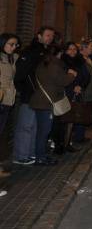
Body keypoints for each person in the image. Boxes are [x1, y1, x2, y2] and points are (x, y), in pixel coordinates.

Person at [13, 27, 55, 165]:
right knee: (26, 125)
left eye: (51, 36)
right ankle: (20, 156)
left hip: (40, 96)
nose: (50, 38)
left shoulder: (45, 52)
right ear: (39, 36)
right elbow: (21, 74)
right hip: (30, 95)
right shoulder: (30, 52)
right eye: (47, 35)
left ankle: (30, 153)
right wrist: (25, 89)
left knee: (35, 125)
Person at [29, 44, 73, 166]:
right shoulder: (54, 66)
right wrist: (71, 75)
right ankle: (40, 157)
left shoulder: (43, 64)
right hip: (46, 103)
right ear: (59, 54)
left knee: (42, 131)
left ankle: (40, 155)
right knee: (44, 131)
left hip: (40, 101)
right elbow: (63, 81)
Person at [52, 42, 84, 154]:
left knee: (71, 119)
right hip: (65, 93)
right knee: (61, 120)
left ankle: (67, 143)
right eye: (70, 49)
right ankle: (58, 144)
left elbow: (84, 76)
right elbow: (61, 78)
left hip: (76, 93)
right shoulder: (61, 62)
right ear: (65, 51)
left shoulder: (80, 61)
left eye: (74, 49)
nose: (72, 51)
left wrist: (80, 85)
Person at [0, 33, 20, 181]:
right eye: (11, 44)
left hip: (8, 101)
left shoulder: (13, 58)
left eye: (15, 45)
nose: (13, 47)